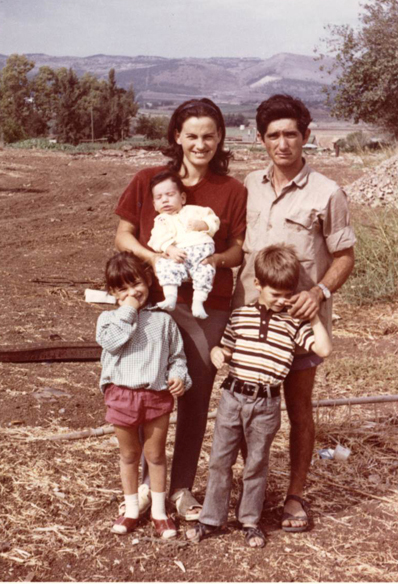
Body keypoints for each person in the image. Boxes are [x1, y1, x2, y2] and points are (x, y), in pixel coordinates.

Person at [114, 98, 247, 520]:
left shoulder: (232, 190)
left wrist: (213, 261)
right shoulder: (149, 181)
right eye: (192, 135)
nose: (200, 144)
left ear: (220, 137)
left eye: (209, 135)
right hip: (156, 302)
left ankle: (181, 489)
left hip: (209, 305)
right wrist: (155, 258)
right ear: (177, 136)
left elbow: (237, 249)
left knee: (195, 389)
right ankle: (143, 490)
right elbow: (123, 236)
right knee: (146, 390)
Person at [233, 94, 356, 532]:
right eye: (273, 136)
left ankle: (295, 495)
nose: (282, 144)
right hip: (252, 322)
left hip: (300, 324)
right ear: (260, 139)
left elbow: (345, 257)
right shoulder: (248, 184)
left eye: (291, 134)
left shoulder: (327, 192)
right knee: (247, 408)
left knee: (299, 409)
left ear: (306, 136)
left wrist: (319, 292)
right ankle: (255, 490)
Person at [186, 244, 332, 548]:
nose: (282, 301)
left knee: (256, 463)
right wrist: (218, 352)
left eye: (287, 294)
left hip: (266, 403)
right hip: (232, 397)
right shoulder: (240, 316)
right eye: (275, 294)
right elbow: (227, 348)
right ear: (257, 285)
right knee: (220, 460)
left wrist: (314, 317)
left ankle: (250, 520)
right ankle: (211, 518)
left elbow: (324, 349)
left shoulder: (293, 324)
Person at [96, 251, 192, 538]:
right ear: (112, 292)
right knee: (129, 455)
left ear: (148, 280)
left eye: (136, 284)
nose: (132, 293)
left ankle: (159, 512)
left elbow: (177, 357)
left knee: (156, 455)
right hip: (121, 395)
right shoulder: (108, 319)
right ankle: (131, 510)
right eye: (122, 289)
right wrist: (128, 310)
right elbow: (112, 343)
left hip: (156, 396)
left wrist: (179, 376)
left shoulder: (163, 321)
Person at [148, 169, 220, 319]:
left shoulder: (195, 211)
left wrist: (204, 225)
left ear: (182, 198)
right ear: (154, 205)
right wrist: (169, 248)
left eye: (170, 195)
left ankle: (198, 302)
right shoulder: (161, 220)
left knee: (206, 271)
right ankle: (170, 297)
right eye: (159, 198)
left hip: (201, 253)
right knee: (165, 265)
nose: (165, 200)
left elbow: (213, 219)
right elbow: (157, 239)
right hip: (180, 255)